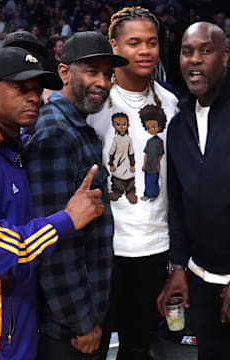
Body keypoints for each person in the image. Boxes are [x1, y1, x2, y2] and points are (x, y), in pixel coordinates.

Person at [0, 46, 105, 360]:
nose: (33, 97)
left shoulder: (15, 149)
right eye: (20, 88)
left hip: (21, 332)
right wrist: (66, 220)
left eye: (37, 90)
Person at [24, 31, 128, 360]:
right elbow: (54, 242)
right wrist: (82, 322)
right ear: (64, 73)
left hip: (78, 313)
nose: (102, 82)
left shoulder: (75, 126)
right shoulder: (56, 133)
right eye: (91, 71)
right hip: (66, 327)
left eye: (108, 74)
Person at [87, 7, 178, 360]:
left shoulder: (170, 102)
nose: (145, 51)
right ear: (114, 45)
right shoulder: (95, 102)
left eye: (152, 43)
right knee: (91, 348)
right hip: (105, 249)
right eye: (135, 42)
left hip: (154, 246)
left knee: (139, 347)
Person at [157, 22, 230, 360]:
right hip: (200, 279)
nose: (195, 60)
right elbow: (179, 201)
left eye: (206, 50)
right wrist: (178, 268)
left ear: (226, 56)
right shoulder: (179, 122)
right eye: (188, 52)